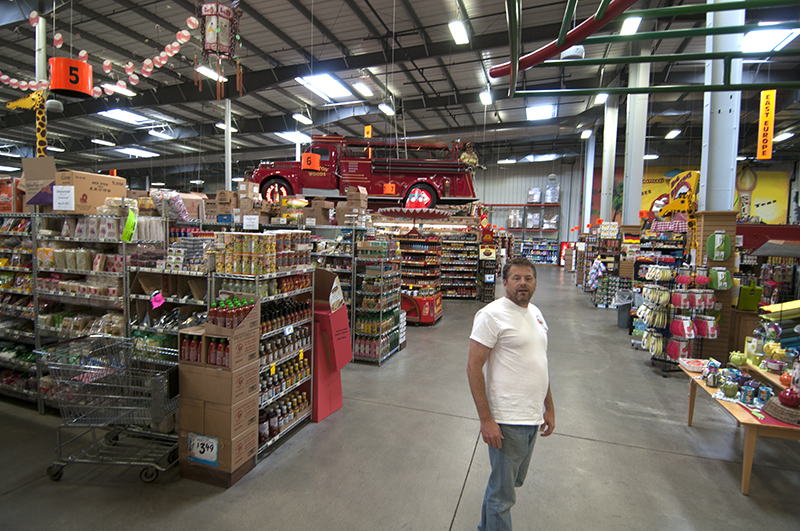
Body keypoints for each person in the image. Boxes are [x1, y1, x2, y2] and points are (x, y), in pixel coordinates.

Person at [467, 257, 555, 531]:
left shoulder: (536, 314)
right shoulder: (491, 315)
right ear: (504, 283)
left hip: (531, 416)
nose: (522, 283)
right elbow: (473, 368)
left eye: (528, 278)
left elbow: (540, 363)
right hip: (508, 420)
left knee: (506, 486)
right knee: (503, 496)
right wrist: (486, 420)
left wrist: (549, 407)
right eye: (516, 278)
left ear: (536, 284)